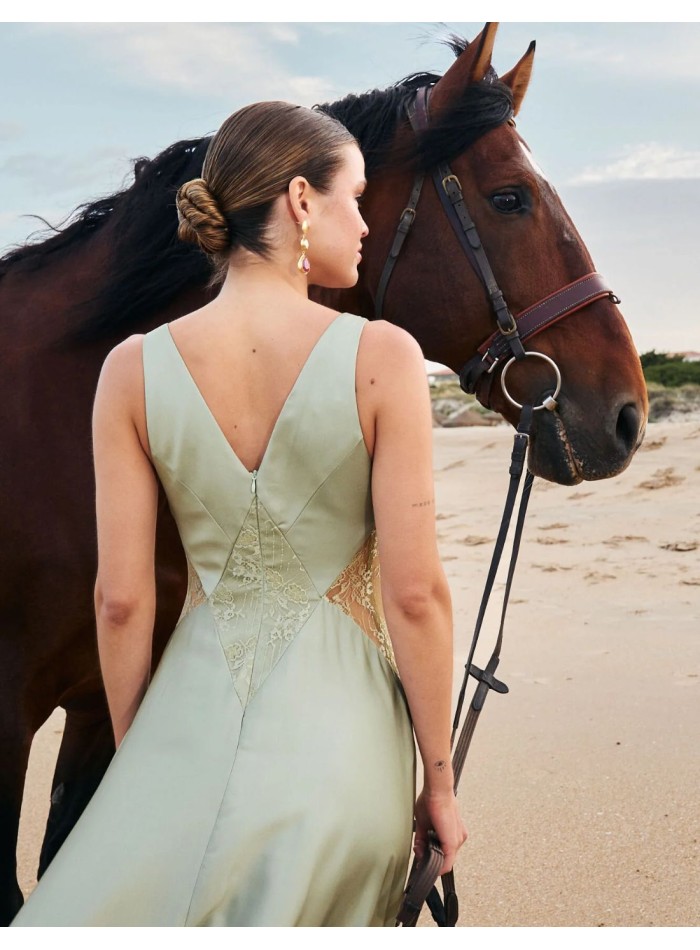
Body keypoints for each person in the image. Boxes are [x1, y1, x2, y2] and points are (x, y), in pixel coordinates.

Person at [11, 100, 466, 927]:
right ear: (299, 200)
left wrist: (142, 759)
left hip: (180, 730)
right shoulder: (382, 357)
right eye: (353, 198)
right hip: (343, 755)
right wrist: (438, 779)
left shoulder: (132, 368)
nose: (363, 224)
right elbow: (415, 596)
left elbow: (120, 602)